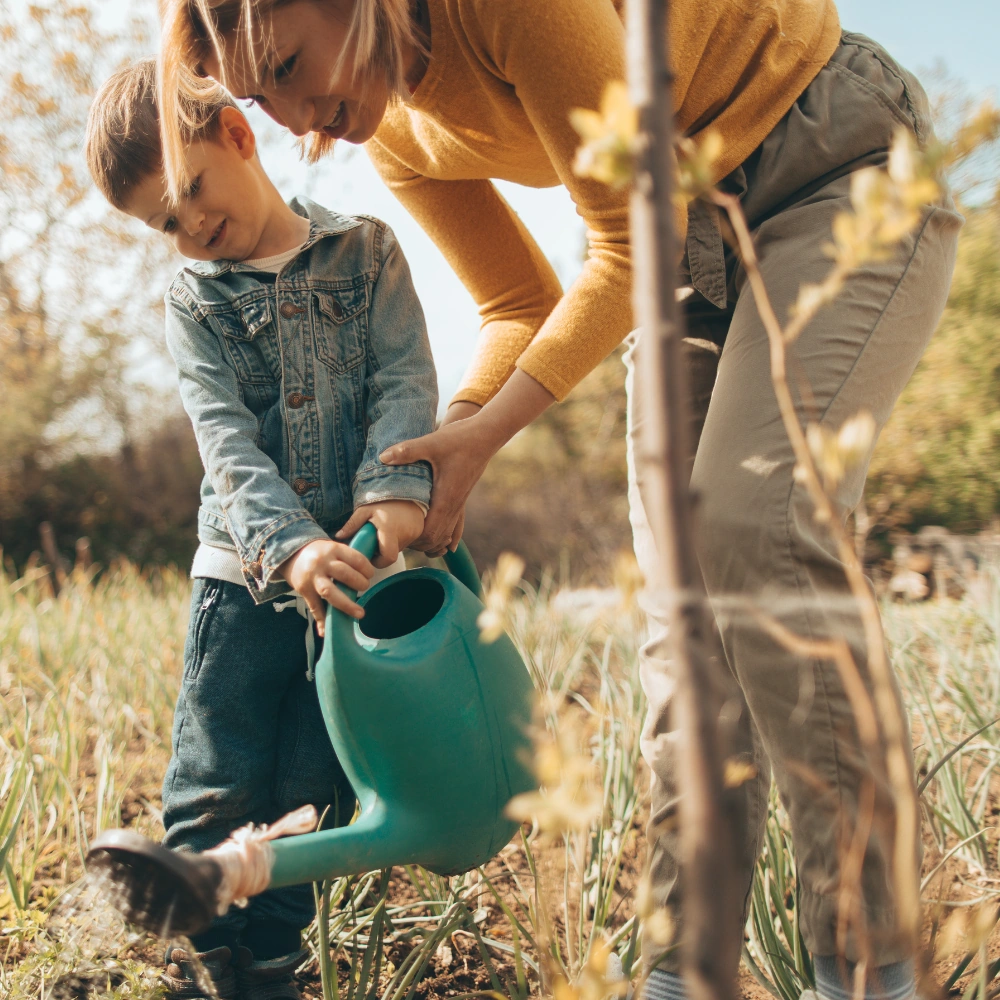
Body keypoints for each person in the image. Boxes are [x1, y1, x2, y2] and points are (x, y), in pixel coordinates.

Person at [155, 2, 963, 999]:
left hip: (833, 165)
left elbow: (628, 228)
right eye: (256, 94)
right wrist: (443, 444)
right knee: (680, 611)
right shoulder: (396, 128)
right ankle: (684, 971)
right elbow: (515, 305)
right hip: (684, 253)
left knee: (753, 525)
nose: (288, 118)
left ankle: (870, 966)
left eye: (285, 64)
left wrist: (490, 432)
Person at [85, 57, 437, 1000]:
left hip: (353, 583)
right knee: (220, 762)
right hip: (242, 578)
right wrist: (293, 547)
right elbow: (226, 446)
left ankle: (271, 960)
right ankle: (195, 936)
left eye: (192, 191)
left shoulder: (369, 253)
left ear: (239, 137)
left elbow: (402, 382)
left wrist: (395, 494)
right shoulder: (194, 302)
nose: (191, 226)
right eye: (167, 222)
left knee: (311, 783)